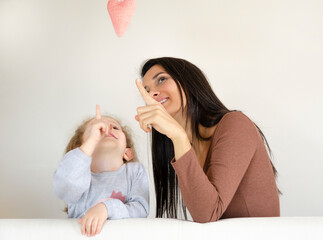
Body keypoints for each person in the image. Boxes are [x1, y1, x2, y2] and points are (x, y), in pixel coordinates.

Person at [135, 57, 280, 223]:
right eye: (146, 91)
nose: (152, 94)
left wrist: (178, 136)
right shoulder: (186, 147)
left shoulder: (235, 124)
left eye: (161, 80)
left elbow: (207, 213)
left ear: (188, 81)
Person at [53, 105, 149, 237]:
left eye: (115, 127)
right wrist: (90, 144)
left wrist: (106, 208)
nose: (106, 129)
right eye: (96, 128)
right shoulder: (77, 174)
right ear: (80, 147)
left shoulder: (134, 172)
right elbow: (64, 187)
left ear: (127, 152)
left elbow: (141, 209)